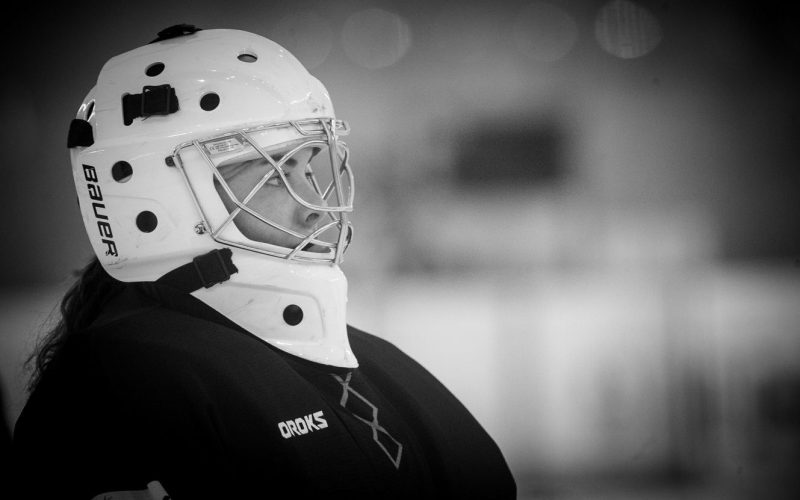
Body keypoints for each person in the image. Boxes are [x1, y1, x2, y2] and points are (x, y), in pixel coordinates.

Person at [11, 25, 516, 500]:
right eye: (275, 175)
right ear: (164, 196)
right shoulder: (118, 384)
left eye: (308, 167)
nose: (312, 202)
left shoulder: (360, 355)